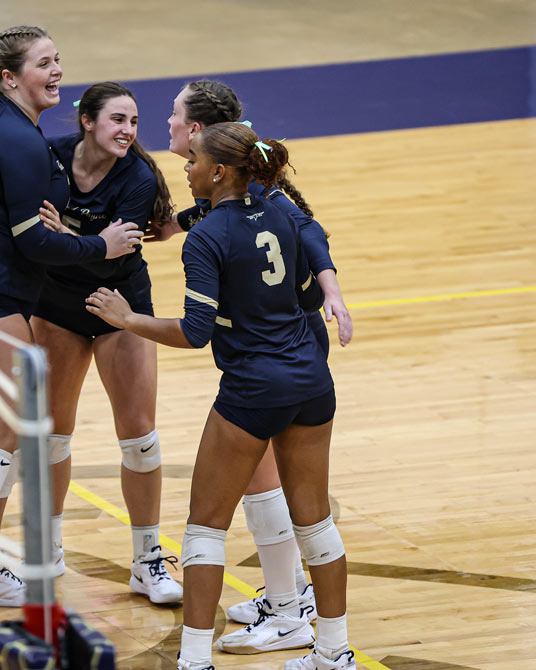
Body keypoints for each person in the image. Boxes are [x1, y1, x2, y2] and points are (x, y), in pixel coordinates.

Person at [87, 123, 355, 670]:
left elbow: (195, 331)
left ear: (219, 172)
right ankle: (334, 652)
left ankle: (192, 662)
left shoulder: (208, 237)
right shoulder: (281, 211)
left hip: (253, 389)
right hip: (310, 379)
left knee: (206, 525)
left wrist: (128, 318)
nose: (184, 168)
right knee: (317, 523)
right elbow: (307, 276)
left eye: (192, 161)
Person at [150, 80, 354, 654]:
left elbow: (194, 330)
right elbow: (290, 228)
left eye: (174, 118)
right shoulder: (259, 200)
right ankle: (314, 631)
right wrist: (184, 221)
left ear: (204, 148)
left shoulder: (227, 225)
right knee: (306, 512)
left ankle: (278, 613)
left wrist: (126, 319)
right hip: (305, 367)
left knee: (219, 515)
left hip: (270, 358)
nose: (166, 126)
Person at [0, 26, 143, 613]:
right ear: (10, 77)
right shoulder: (21, 138)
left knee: (6, 437)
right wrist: (99, 247)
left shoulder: (5, 121)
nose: (58, 70)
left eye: (59, 59)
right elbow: (32, 239)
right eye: (45, 63)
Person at [28, 81, 181, 603]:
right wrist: (81, 245)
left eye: (134, 122)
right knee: (51, 436)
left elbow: (114, 260)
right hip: (56, 307)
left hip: (123, 304)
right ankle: (46, 555)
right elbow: (30, 239)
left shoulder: (137, 177)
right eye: (118, 119)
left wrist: (67, 241)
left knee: (140, 437)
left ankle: (148, 561)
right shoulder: (48, 158)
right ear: (87, 121)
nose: (129, 131)